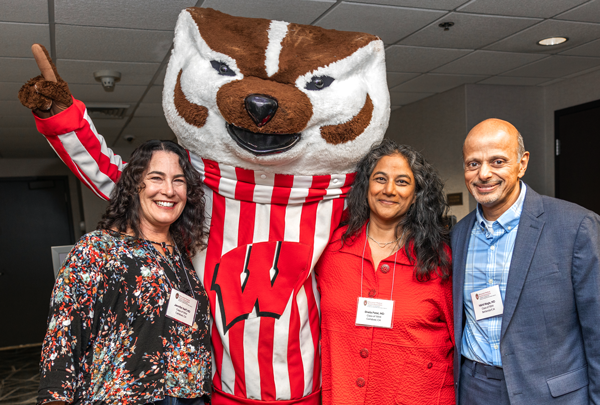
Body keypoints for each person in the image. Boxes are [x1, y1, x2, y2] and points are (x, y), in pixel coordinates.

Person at [38, 140, 211, 405]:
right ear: (134, 187)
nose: (169, 190)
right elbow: (62, 340)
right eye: (156, 177)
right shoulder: (98, 250)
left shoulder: (185, 255)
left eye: (178, 180)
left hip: (191, 396)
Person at [452, 118, 600, 404]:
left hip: (550, 395)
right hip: (475, 391)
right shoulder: (458, 235)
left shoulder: (576, 227)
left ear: (522, 163)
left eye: (498, 161)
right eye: (473, 163)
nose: (484, 174)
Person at [316, 139, 455, 405]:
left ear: (416, 194)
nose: (389, 190)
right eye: (380, 179)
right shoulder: (330, 251)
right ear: (366, 186)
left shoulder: (440, 261)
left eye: (402, 182)